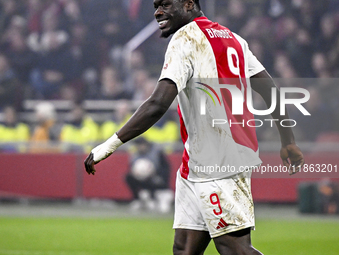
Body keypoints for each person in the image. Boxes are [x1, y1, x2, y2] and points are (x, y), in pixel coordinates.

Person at [85, 1, 305, 254]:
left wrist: (110, 144)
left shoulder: (185, 39)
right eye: (156, 5)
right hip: (197, 162)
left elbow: (158, 103)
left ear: (189, 4)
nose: (158, 11)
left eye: (166, 4)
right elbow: (270, 90)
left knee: (234, 248)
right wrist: (288, 140)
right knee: (184, 249)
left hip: (220, 159)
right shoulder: (233, 38)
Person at [125, 137, 172, 213]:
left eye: (141, 145)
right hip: (143, 180)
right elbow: (132, 168)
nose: (140, 147)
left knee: (162, 194)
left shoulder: (157, 153)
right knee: (128, 177)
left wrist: (161, 178)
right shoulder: (135, 155)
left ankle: (156, 197)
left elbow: (166, 168)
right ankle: (138, 199)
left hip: (156, 178)